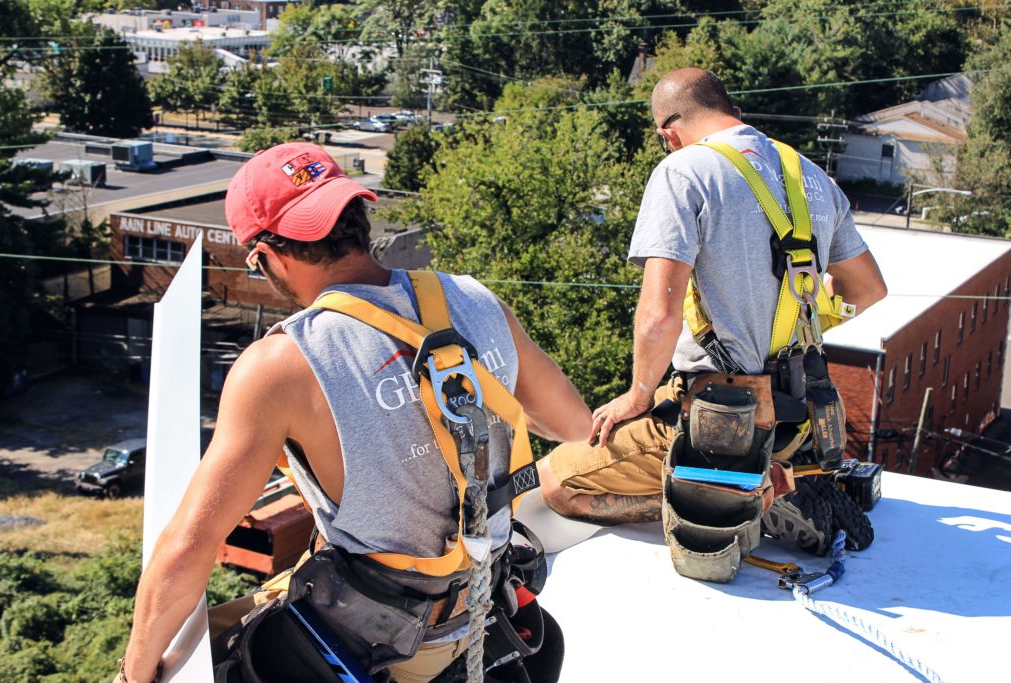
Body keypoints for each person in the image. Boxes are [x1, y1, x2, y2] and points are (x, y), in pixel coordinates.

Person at [117, 143, 593, 683]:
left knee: (207, 648)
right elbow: (574, 425)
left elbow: (188, 550)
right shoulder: (476, 302)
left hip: (395, 650)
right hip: (492, 612)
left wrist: (133, 675)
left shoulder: (283, 366)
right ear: (358, 218)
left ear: (269, 258)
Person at [538, 67, 887, 526]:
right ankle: (775, 477)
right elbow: (869, 289)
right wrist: (781, 323)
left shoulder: (683, 171)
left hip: (719, 419)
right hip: (797, 413)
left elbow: (660, 316)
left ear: (670, 135)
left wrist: (637, 395)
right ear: (735, 114)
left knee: (555, 484)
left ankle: (745, 501)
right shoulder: (812, 177)